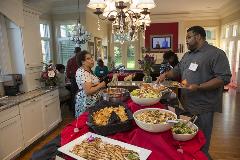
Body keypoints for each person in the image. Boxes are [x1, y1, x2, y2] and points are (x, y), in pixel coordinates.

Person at [157, 26, 231, 159]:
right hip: (184, 103)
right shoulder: (187, 55)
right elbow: (177, 70)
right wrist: (165, 75)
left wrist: (199, 86)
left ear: (198, 37)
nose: (186, 41)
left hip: (203, 106)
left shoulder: (216, 54)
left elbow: (224, 78)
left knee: (201, 141)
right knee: (185, 136)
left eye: (188, 37)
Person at [75, 50, 107, 117]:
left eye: (91, 58)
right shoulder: (83, 72)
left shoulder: (89, 71)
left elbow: (91, 84)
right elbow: (88, 91)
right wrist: (101, 84)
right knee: (87, 122)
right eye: (88, 59)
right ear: (82, 61)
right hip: (87, 103)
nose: (92, 60)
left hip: (92, 102)